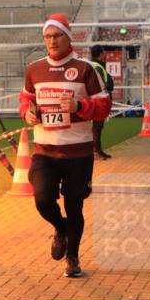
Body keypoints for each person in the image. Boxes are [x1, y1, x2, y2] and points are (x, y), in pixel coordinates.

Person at [20, 14, 111, 278]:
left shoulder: (85, 69)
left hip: (78, 153)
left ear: (68, 37)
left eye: (57, 35)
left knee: (75, 206)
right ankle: (60, 229)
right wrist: (27, 112)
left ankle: (73, 257)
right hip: (45, 151)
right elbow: (25, 101)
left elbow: (104, 106)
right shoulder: (34, 69)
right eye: (47, 36)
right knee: (42, 200)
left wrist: (79, 106)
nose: (52, 41)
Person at [88, 45, 115, 160]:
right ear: (100, 54)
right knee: (97, 128)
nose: (105, 54)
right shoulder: (97, 66)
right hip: (97, 101)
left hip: (94, 100)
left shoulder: (93, 65)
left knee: (97, 128)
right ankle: (96, 152)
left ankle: (98, 150)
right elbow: (104, 84)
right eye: (104, 52)